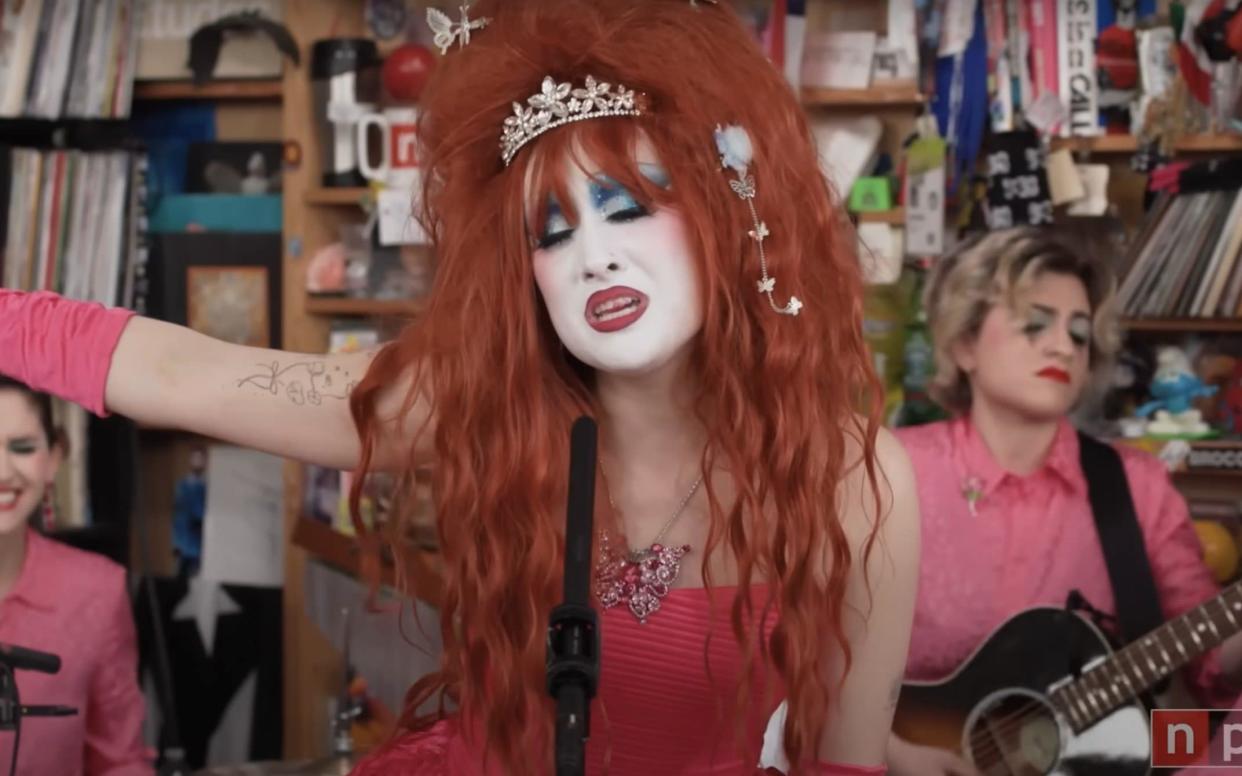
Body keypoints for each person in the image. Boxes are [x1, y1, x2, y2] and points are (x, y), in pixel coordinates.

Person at [0, 1, 920, 773]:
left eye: (632, 204)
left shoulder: (851, 476)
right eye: (550, 231)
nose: (594, 254)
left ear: (728, 217)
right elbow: (184, 375)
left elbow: (844, 757)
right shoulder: (471, 403)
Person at [886, 227, 1242, 776]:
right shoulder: (891, 472)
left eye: (1080, 334)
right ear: (963, 344)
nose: (1062, 346)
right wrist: (893, 753)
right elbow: (796, 651)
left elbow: (1209, 668)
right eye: (1036, 323)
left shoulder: (1137, 488)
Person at [0, 377, 152, 775]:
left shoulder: (96, 590)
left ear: (54, 456)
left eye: (22, 447)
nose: (2, 471)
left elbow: (119, 761)